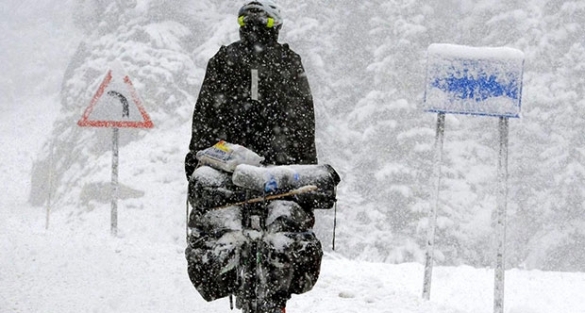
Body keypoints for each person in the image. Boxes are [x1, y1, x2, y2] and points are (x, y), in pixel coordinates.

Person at [184, 1, 326, 313]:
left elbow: (205, 116)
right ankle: (277, 294)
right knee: (285, 232)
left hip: (229, 170)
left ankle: (236, 274)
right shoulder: (289, 62)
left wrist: (196, 159)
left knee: (222, 228)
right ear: (276, 28)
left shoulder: (223, 60)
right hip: (280, 169)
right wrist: (306, 165)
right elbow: (303, 120)